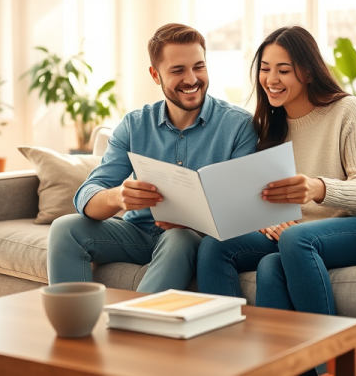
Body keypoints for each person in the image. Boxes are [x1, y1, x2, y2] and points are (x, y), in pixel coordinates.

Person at [197, 25, 356, 343]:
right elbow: (263, 197)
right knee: (220, 247)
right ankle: (228, 357)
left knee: (294, 241)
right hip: (293, 235)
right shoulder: (268, 126)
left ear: (309, 72)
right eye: (264, 69)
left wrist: (319, 188)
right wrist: (264, 219)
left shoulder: (348, 111)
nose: (271, 79)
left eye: (283, 70)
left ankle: (330, 363)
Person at [48, 23, 257, 293]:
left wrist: (193, 220)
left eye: (199, 66)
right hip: (139, 234)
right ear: (155, 75)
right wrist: (117, 197)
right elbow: (87, 194)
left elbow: (245, 207)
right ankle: (74, 328)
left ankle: (136, 328)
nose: (192, 79)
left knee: (179, 237)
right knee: (65, 229)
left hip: (193, 238)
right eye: (178, 70)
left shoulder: (239, 126)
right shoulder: (134, 125)